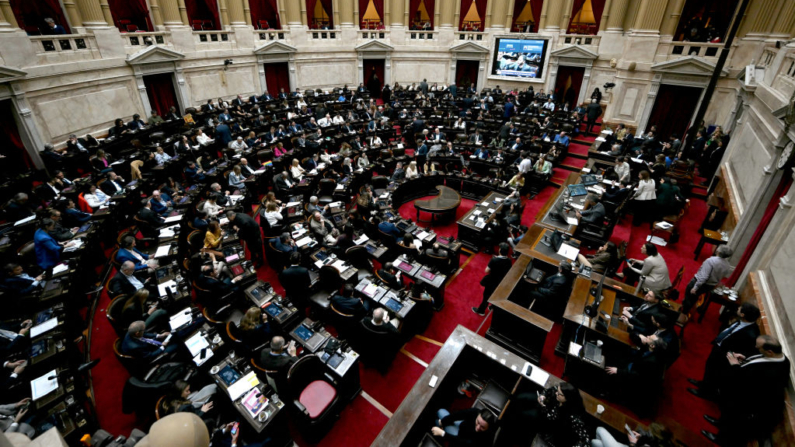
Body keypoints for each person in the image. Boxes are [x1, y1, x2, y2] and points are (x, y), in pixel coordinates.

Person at [702, 335, 790, 445]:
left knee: (734, 423)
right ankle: (720, 423)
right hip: (742, 397)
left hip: (749, 403)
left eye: (758, 348)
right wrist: (746, 359)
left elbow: (748, 384)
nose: (755, 348)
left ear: (770, 351)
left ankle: (721, 440)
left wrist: (735, 366)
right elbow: (757, 362)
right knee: (728, 415)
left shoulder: (774, 372)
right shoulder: (778, 357)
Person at [688, 302, 761, 401]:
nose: (738, 308)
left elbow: (744, 349)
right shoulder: (742, 321)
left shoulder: (752, 333)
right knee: (709, 367)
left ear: (743, 315)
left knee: (714, 372)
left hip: (725, 354)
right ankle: (703, 383)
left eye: (740, 309)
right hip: (719, 347)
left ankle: (705, 392)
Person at [511, 383, 590, 447]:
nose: (556, 393)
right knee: (521, 397)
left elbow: (585, 440)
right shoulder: (560, 391)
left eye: (559, 394)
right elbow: (551, 390)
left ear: (567, 398)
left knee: (524, 415)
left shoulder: (574, 416)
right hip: (544, 406)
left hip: (546, 422)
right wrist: (543, 395)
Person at [682, 246, 733, 314]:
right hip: (710, 285)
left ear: (718, 252)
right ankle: (692, 309)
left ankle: (683, 314)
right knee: (695, 297)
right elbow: (724, 276)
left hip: (701, 283)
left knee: (689, 296)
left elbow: (704, 277)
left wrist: (695, 287)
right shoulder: (727, 265)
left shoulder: (711, 261)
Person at [473, 243, 512, 315]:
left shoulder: (494, 260)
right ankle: (493, 307)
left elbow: (486, 271)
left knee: (486, 297)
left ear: (500, 250)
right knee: (497, 295)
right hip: (501, 282)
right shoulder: (509, 261)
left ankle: (481, 311)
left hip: (492, 281)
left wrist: (494, 260)